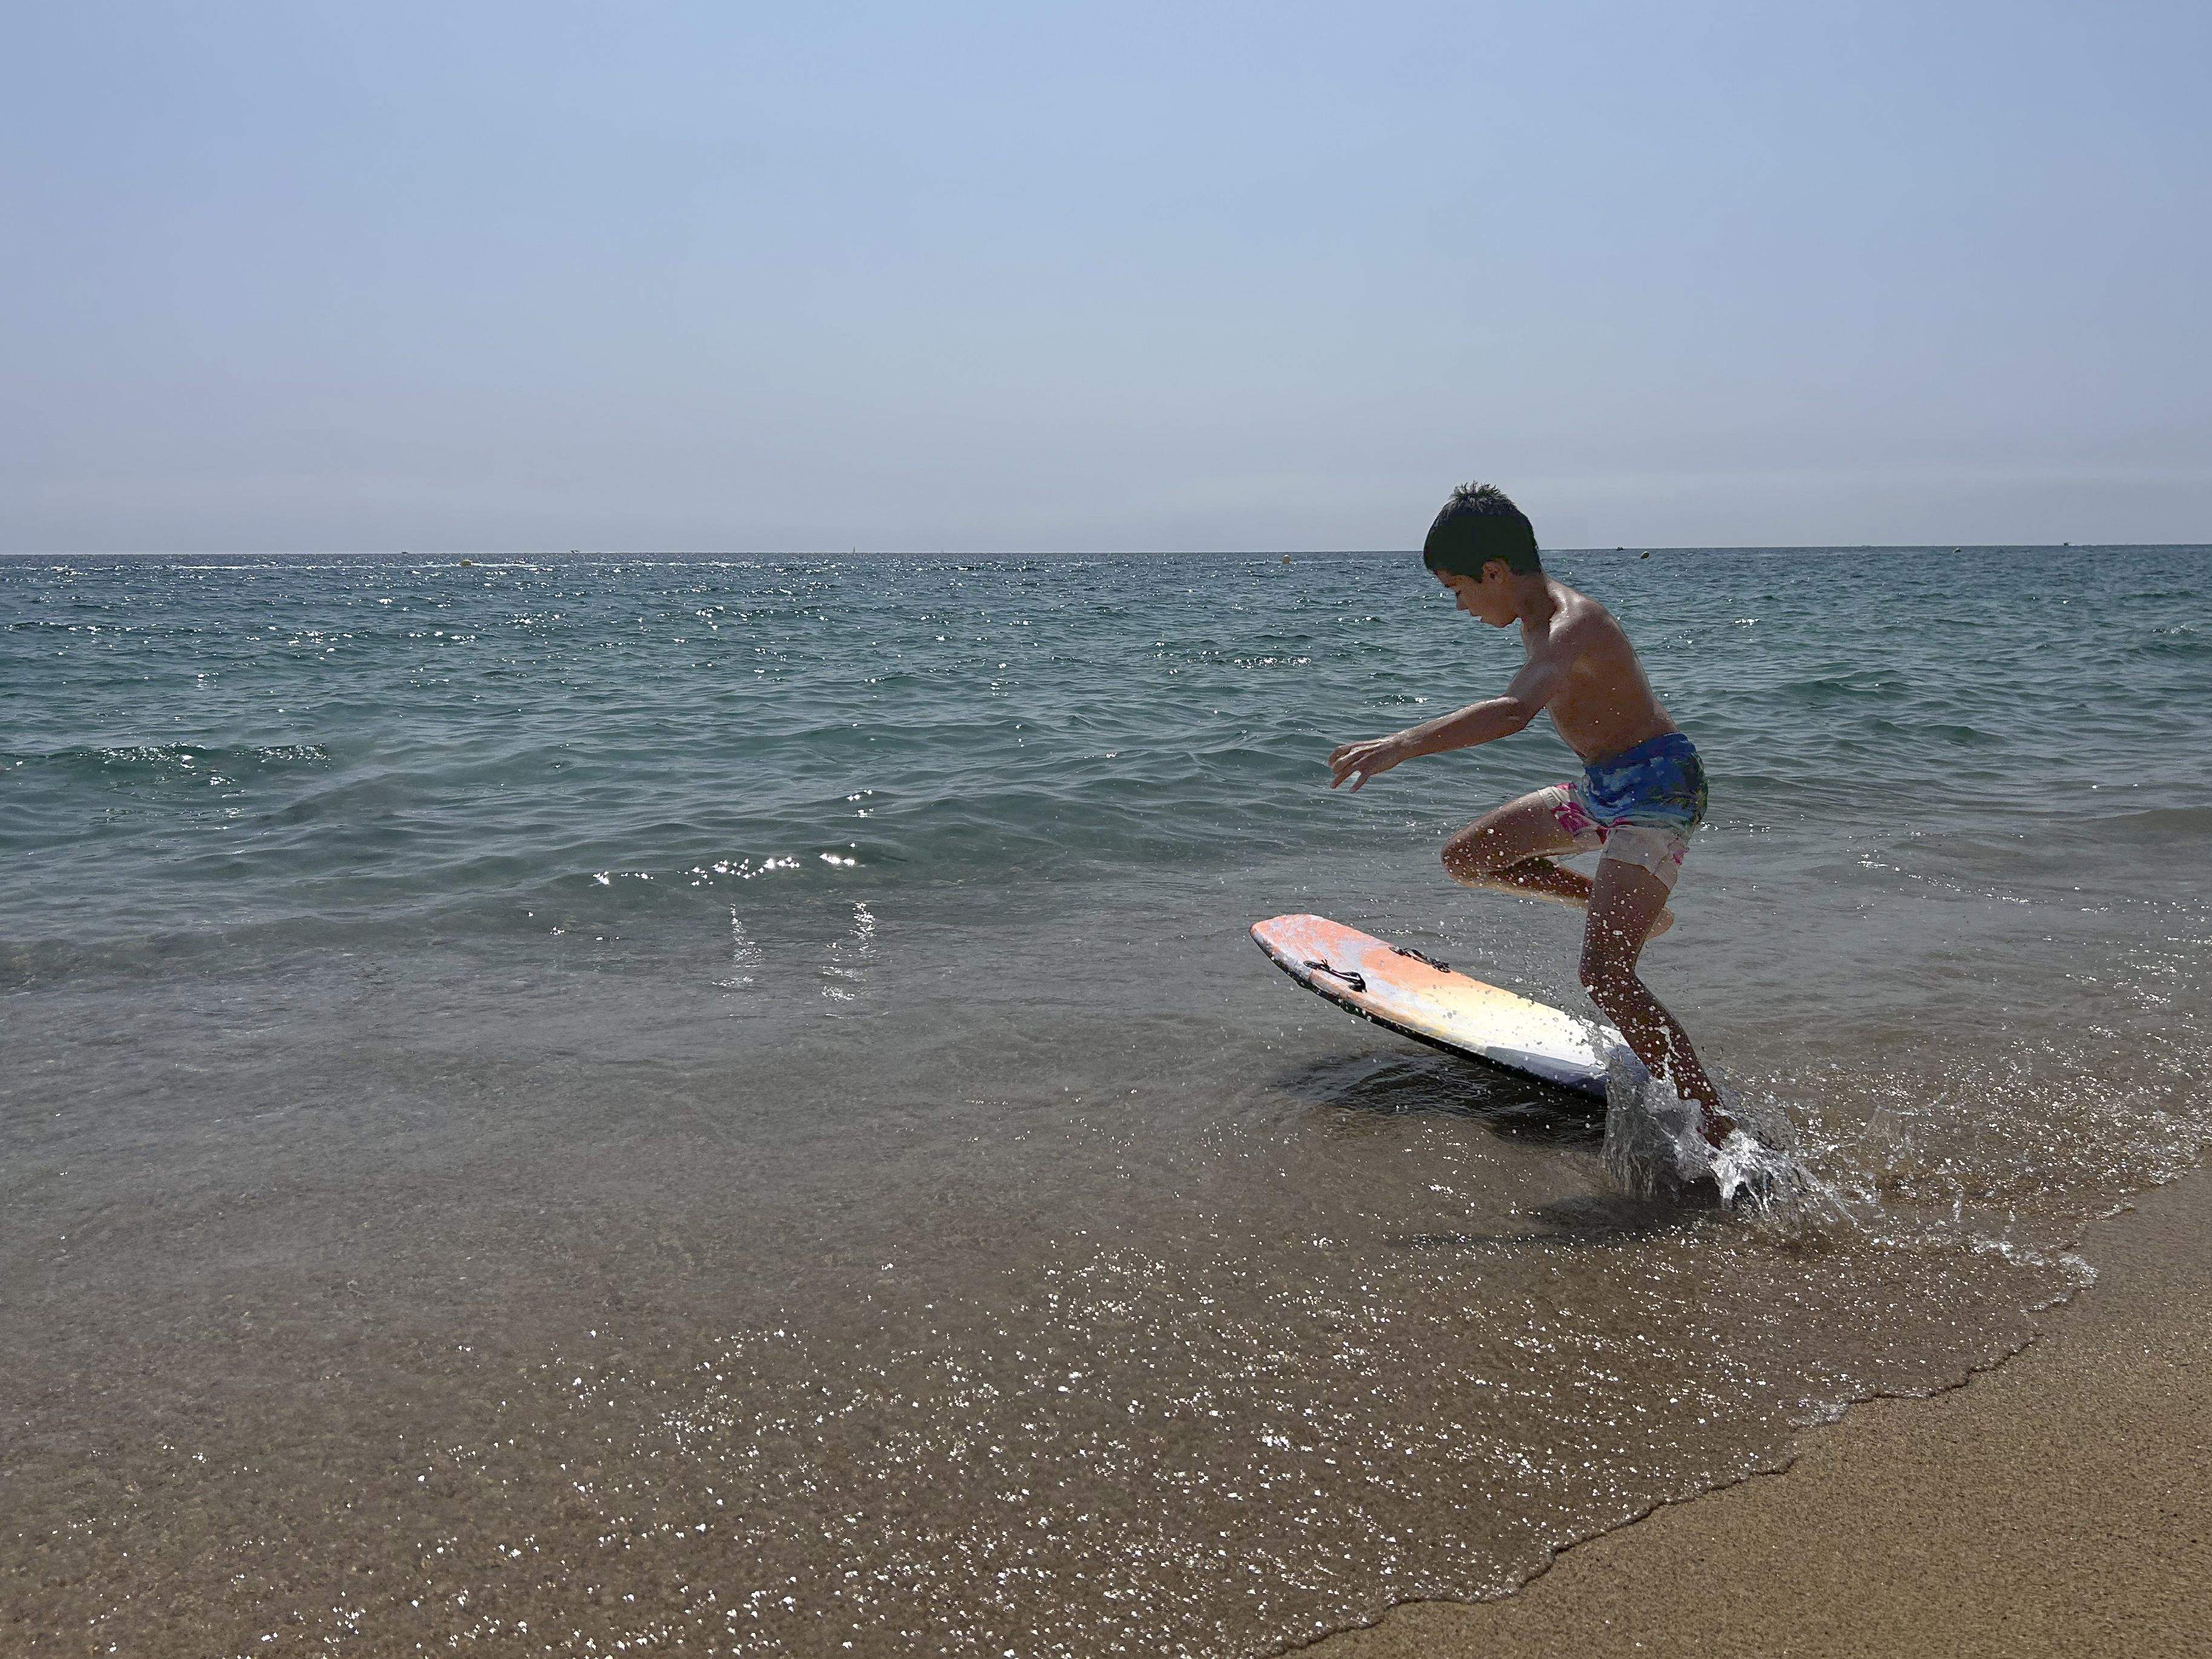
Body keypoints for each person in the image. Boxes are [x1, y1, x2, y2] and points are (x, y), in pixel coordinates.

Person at [1326, 482, 1734, 1144]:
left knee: (1603, 975)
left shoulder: (1573, 623)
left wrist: (1401, 744)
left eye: (1457, 589)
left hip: (1659, 788)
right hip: (1603, 786)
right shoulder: (1538, 622)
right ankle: (1630, 911)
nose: (1458, 606)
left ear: (1493, 571)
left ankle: (1717, 1133)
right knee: (1468, 858)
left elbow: (1515, 712)